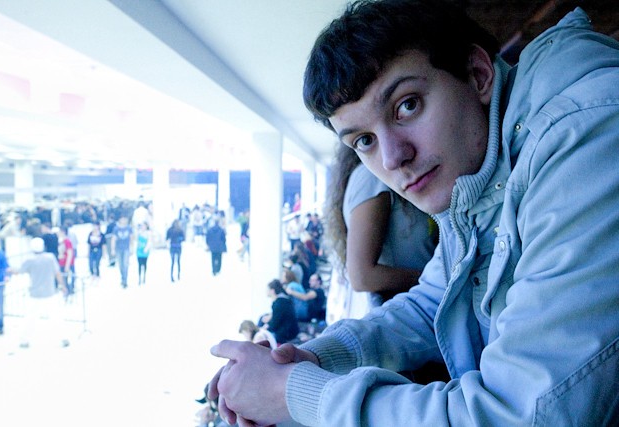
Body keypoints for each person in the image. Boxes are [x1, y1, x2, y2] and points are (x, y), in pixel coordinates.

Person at [208, 1, 619, 425]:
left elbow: (520, 414)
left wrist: (294, 393)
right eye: (364, 140)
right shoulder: (476, 177)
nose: (393, 158)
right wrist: (309, 358)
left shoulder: (586, 140)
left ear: (477, 74)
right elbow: (431, 303)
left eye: (407, 106)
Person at [325, 142, 436, 322]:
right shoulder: (371, 177)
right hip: (411, 314)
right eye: (366, 139)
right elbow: (362, 276)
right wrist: (438, 279)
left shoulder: (379, 177)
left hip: (420, 307)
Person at [18, 237, 68, 348]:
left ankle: (24, 340)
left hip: (35, 294)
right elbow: (57, 273)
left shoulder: (29, 260)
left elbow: (19, 270)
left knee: (30, 318)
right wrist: (63, 286)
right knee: (56, 316)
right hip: (49, 292)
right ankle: (64, 338)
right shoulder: (50, 258)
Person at [258, 279, 299, 345]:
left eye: (267, 289)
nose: (266, 291)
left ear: (272, 291)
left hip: (286, 333)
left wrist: (264, 328)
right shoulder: (284, 300)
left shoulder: (279, 303)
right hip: (291, 330)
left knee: (262, 328)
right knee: (262, 318)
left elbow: (275, 324)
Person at [110, 214, 133, 288]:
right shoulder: (116, 229)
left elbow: (131, 238)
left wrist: (131, 247)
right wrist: (112, 249)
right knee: (120, 265)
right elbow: (113, 239)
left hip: (126, 249)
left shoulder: (129, 228)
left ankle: (125, 281)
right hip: (118, 249)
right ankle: (122, 278)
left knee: (125, 264)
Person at [57, 226, 75, 296]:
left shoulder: (67, 241)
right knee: (64, 279)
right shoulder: (61, 242)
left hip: (67, 264)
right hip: (61, 263)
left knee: (67, 278)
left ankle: (70, 291)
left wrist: (67, 265)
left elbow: (70, 254)